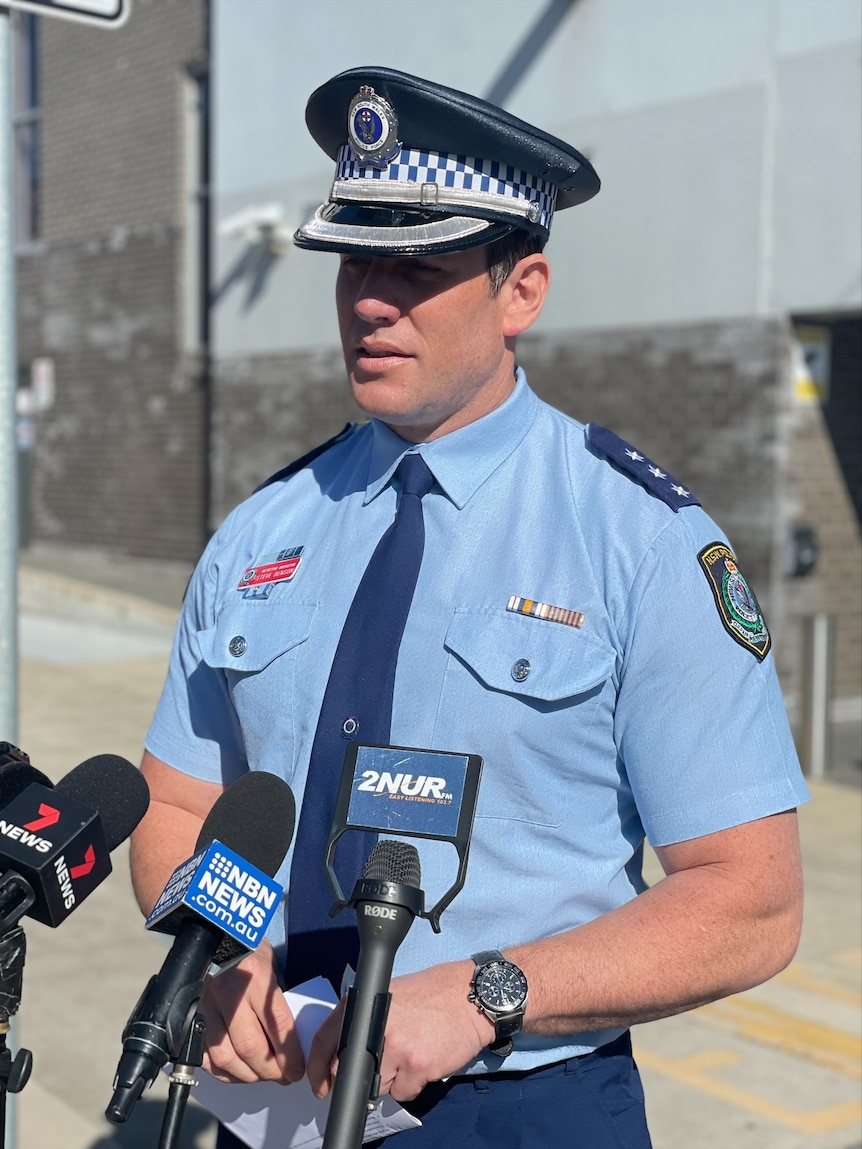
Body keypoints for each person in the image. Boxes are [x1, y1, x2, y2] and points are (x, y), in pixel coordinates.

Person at [130, 66, 808, 1148]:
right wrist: (218, 949)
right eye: (355, 260)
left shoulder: (640, 540)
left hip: (516, 1102)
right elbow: (174, 807)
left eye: (418, 265)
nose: (369, 299)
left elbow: (750, 904)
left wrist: (491, 994)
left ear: (521, 289)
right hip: (271, 1098)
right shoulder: (261, 530)